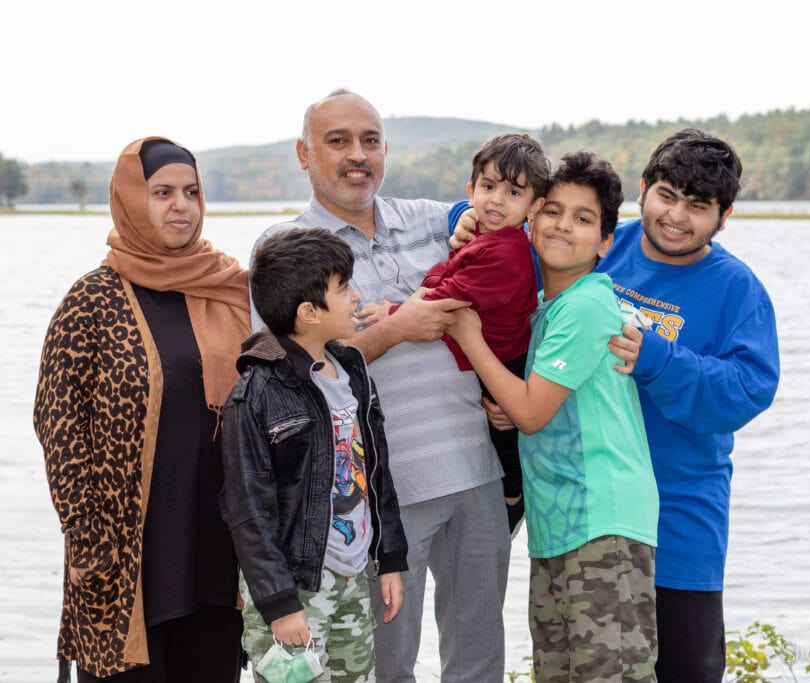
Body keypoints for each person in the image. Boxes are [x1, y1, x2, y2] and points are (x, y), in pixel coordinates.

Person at [453, 129, 781, 682]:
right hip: (575, 508)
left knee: (682, 670)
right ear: (644, 190)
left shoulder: (735, 288)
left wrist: (659, 357)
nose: (676, 216)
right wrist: (460, 218)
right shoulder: (597, 244)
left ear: (723, 217)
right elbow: (517, 234)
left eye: (698, 207)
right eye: (667, 196)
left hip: (678, 517)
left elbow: (748, 390)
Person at [250, 88, 512, 683]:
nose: (356, 155)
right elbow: (285, 373)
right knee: (389, 665)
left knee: (480, 660)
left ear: (386, 149)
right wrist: (395, 330)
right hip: (382, 494)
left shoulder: (431, 218)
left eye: (369, 140)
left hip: (476, 470)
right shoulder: (286, 252)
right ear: (304, 152)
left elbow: (511, 218)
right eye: (337, 141)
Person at [33, 137, 251, 681]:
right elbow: (59, 426)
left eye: (192, 192)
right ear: (132, 198)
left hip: (219, 553)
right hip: (122, 555)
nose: (181, 206)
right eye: (162, 192)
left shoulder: (230, 289)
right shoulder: (92, 301)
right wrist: (85, 539)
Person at [447, 150, 660, 683]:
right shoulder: (549, 305)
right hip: (559, 527)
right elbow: (531, 407)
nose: (563, 225)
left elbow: (533, 413)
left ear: (606, 242)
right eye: (553, 210)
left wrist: (468, 336)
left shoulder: (587, 305)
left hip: (602, 522)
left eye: (583, 219)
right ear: (533, 215)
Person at [219, 227, 407, 681]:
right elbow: (247, 510)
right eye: (343, 288)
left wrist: (391, 559)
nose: (356, 296)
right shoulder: (257, 394)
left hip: (354, 576)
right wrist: (279, 604)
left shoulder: (352, 370)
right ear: (308, 313)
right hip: (295, 589)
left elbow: (376, 472)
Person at [361, 132, 549, 535]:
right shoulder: (485, 233)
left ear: (534, 207)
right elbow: (450, 270)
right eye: (488, 187)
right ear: (471, 190)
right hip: (491, 347)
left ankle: (514, 496)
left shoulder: (508, 253)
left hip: (503, 356)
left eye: (513, 192)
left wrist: (393, 310)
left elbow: (450, 294)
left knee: (502, 426)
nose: (497, 200)